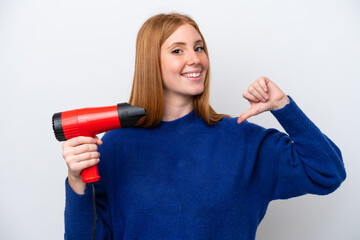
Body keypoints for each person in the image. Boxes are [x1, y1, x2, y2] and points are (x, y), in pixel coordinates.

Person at [62, 13, 346, 240]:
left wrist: (284, 107)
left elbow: (327, 172)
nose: (195, 58)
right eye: (177, 50)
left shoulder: (242, 138)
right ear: (151, 64)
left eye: (199, 48)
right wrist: (76, 182)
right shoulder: (114, 146)